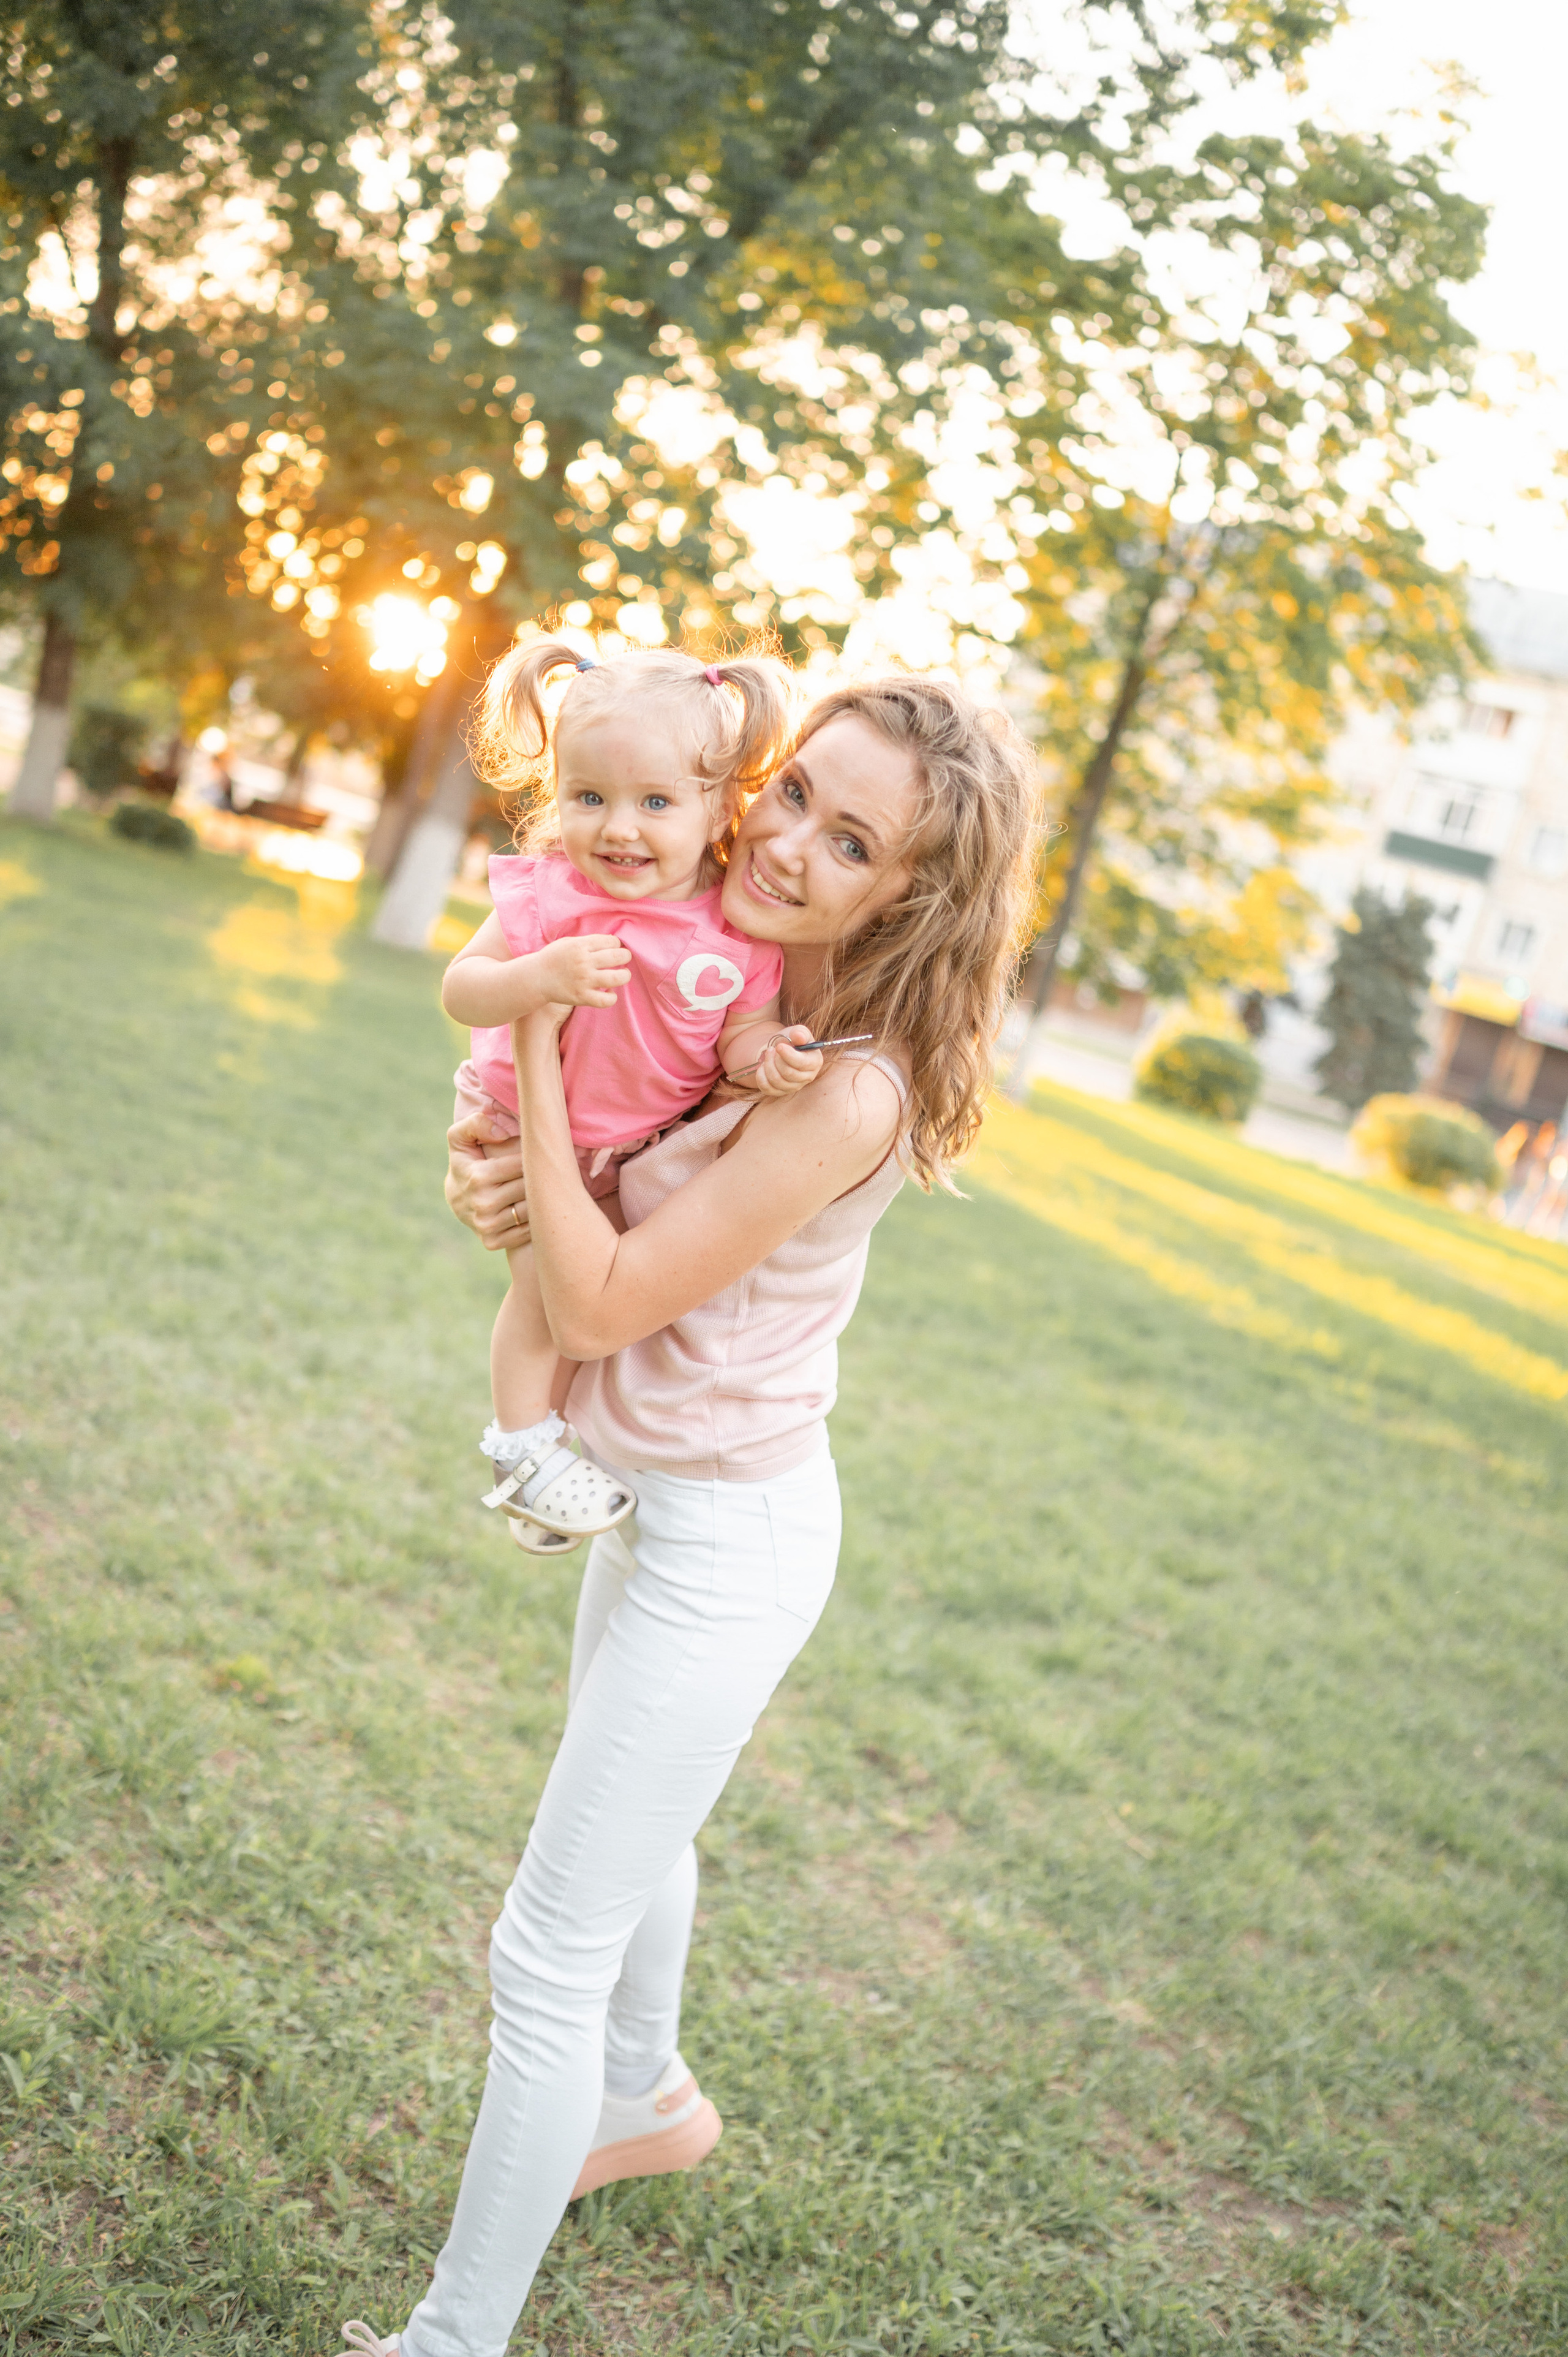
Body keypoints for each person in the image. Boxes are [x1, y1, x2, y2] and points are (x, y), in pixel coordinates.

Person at [334, 670, 1039, 2357]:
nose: (785, 840)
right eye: (796, 791)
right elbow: (568, 1155)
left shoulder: (844, 1086)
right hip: (654, 1496)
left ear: (910, 895)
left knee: (542, 1947)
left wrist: (529, 1074)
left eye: (849, 837)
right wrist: (487, 1163)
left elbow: (593, 1305)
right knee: (637, 1820)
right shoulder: (719, 954)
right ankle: (644, 2094)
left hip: (735, 1543)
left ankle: (450, 2342)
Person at [440, 640, 827, 1553]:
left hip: (630, 1146)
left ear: (719, 806)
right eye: (589, 799)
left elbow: (742, 1031)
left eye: (654, 802)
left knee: (600, 1310)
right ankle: (522, 1454)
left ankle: (558, 1454)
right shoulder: (555, 898)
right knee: (543, 1299)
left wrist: (768, 1058)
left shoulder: (735, 935)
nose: (619, 829)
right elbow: (463, 988)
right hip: (522, 1123)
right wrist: (537, 972)